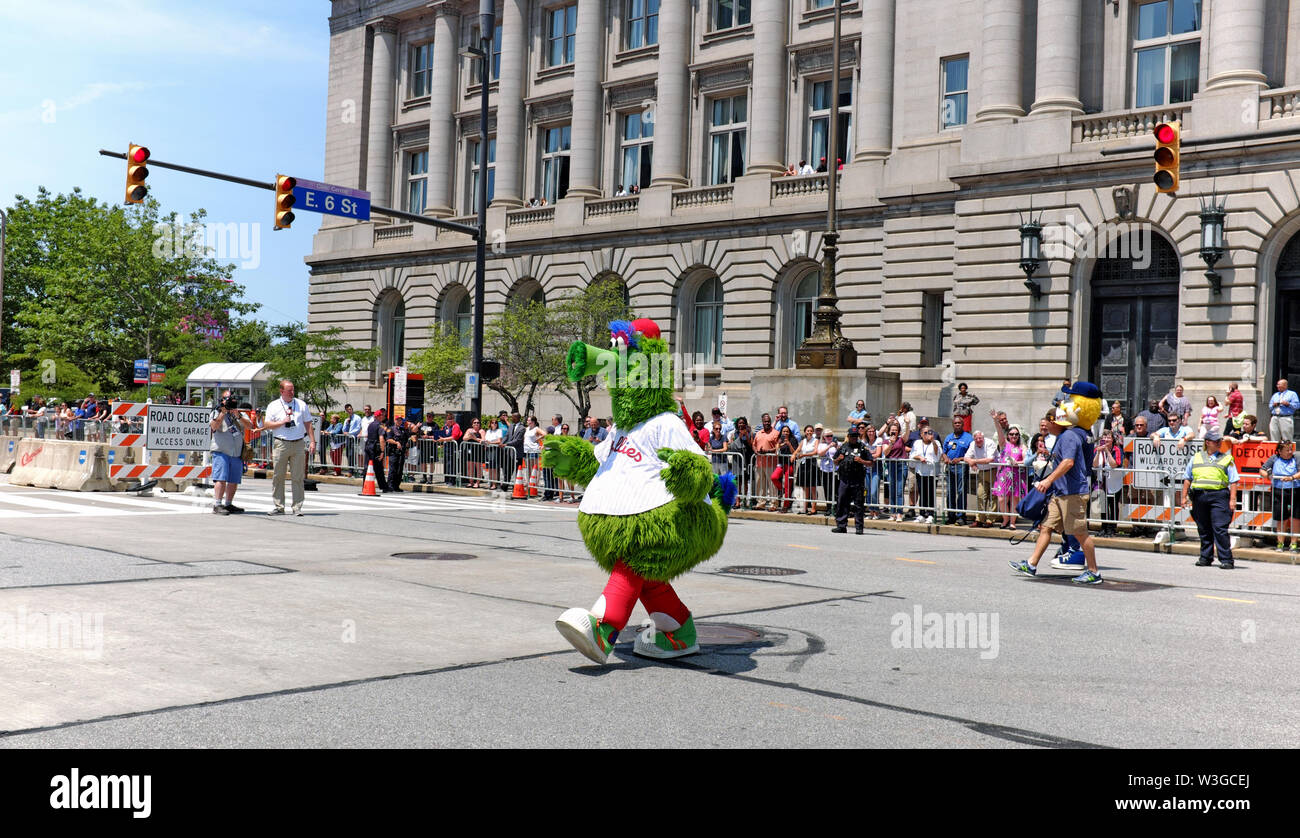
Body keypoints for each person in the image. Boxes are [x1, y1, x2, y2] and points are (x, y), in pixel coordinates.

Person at [1010, 381, 1104, 584]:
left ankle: (1094, 572)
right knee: (1046, 527)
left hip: (1072, 492)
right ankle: (1032, 564)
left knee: (1080, 533)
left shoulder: (1070, 435)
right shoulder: (1077, 433)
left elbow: (1068, 462)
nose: (1064, 405)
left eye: (1069, 401)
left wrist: (1047, 480)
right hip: (1061, 492)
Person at [1180, 427, 1240, 570]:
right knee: (1204, 528)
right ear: (1207, 442)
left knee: (1219, 528)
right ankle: (1205, 557)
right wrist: (1183, 497)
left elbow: (1233, 481)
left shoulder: (1227, 458)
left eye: (1219, 441)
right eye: (1216, 441)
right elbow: (1187, 478)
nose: (1219, 443)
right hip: (1200, 496)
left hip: (1219, 496)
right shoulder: (1196, 457)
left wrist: (1232, 500)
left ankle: (1226, 559)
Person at [263, 380, 315, 515]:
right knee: (278, 476)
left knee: (298, 476)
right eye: (289, 390)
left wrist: (313, 441)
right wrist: (282, 422)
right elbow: (267, 424)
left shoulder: (301, 404)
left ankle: (297, 507)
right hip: (281, 443)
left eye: (293, 390)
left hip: (298, 443)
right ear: (281, 391)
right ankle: (279, 506)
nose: (292, 392)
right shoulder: (273, 405)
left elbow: (308, 423)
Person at [208, 389, 252, 515]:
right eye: (227, 399)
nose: (230, 402)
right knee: (220, 478)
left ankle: (228, 503)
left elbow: (249, 426)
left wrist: (237, 415)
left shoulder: (239, 413)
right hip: (221, 450)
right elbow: (214, 427)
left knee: (234, 479)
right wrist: (223, 412)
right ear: (221, 400)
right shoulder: (216, 412)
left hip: (236, 452)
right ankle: (217, 504)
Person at [1260, 440, 1300, 554]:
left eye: (1290, 449)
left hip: (1295, 490)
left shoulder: (1296, 458)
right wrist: (1268, 476)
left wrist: (1292, 477)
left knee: (1295, 517)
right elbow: (1262, 470)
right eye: (1287, 450)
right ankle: (1280, 543)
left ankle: (1294, 544)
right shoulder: (1274, 458)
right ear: (1279, 451)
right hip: (1278, 490)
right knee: (1281, 518)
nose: (1290, 452)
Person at [831, 427, 870, 534]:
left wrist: (861, 460)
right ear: (848, 436)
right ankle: (841, 525)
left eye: (855, 436)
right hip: (844, 479)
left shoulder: (863, 448)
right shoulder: (843, 447)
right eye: (852, 436)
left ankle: (859, 527)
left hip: (857, 480)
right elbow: (835, 461)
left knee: (858, 504)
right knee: (842, 502)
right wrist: (839, 459)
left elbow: (871, 462)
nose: (854, 438)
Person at [991, 423, 1027, 529]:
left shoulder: (1022, 447)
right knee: (1002, 499)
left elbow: (1026, 461)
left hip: (1017, 476)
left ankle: (1012, 522)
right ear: (1008, 435)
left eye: (1016, 434)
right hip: (1003, 475)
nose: (1014, 436)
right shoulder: (1004, 445)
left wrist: (1017, 463)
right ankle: (1005, 519)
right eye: (1011, 434)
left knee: (1014, 500)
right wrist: (996, 420)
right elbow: (999, 433)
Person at [941, 416, 973, 524]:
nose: (957, 425)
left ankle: (961, 516)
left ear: (963, 425)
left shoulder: (968, 437)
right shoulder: (949, 437)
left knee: (961, 492)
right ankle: (951, 515)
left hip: (961, 467)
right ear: (953, 425)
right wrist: (945, 458)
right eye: (955, 423)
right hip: (950, 467)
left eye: (959, 423)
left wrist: (960, 459)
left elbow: (972, 454)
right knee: (950, 492)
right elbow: (944, 452)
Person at [1093, 428, 1124, 537]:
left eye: (1108, 437)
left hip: (1114, 482)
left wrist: (1107, 452)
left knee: (1113, 505)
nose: (1106, 439)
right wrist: (1099, 452)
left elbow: (1115, 464)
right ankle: (1104, 527)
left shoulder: (1117, 450)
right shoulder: (1097, 449)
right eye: (1104, 437)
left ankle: (1112, 528)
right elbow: (1095, 464)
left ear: (1112, 440)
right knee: (1103, 505)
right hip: (1102, 481)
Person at [964, 429, 998, 527]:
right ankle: (980, 519)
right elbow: (966, 457)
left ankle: (990, 520)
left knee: (993, 496)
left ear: (983, 438)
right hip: (982, 471)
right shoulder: (972, 444)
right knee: (980, 495)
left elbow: (990, 459)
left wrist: (974, 461)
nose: (978, 440)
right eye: (976, 438)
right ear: (974, 439)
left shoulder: (990, 443)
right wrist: (971, 462)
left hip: (993, 471)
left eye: (980, 438)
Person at [909, 425, 941, 523]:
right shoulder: (917, 443)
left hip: (931, 472)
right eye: (925, 433)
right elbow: (913, 455)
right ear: (921, 434)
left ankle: (930, 514)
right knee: (922, 493)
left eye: (930, 432)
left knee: (931, 493)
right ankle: (922, 513)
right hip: (921, 471)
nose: (928, 434)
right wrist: (919, 458)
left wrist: (933, 442)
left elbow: (938, 454)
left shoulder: (936, 442)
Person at [753, 413, 780, 509]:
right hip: (759, 463)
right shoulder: (759, 433)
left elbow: (778, 448)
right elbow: (754, 444)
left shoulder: (776, 433)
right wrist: (756, 451)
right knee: (760, 484)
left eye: (768, 421)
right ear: (762, 422)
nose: (767, 423)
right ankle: (761, 503)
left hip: (771, 463)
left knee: (772, 485)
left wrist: (767, 451)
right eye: (765, 421)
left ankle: (774, 504)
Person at [727, 417, 755, 506]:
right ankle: (737, 500)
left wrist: (746, 435)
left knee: (745, 481)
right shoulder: (733, 434)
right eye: (739, 423)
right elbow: (731, 446)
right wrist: (739, 436)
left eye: (743, 423)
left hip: (746, 460)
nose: (741, 424)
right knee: (738, 482)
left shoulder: (750, 433)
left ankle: (745, 499)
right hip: (737, 461)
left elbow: (751, 445)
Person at [385, 414, 417, 492]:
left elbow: (410, 435)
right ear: (395, 421)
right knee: (393, 469)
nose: (399, 421)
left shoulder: (403, 430)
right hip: (393, 452)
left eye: (400, 420)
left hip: (401, 453)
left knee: (399, 470)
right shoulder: (391, 429)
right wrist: (396, 443)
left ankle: (396, 486)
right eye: (397, 420)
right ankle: (390, 486)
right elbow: (388, 439)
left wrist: (416, 427)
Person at [794, 424, 821, 513]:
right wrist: (794, 454)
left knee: (813, 488)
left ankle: (814, 508)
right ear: (805, 432)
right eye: (807, 431)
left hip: (811, 463)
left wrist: (804, 455)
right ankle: (805, 508)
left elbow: (815, 451)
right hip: (803, 464)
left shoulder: (816, 440)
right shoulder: (803, 441)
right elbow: (798, 449)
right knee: (805, 488)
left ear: (812, 432)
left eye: (810, 431)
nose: (809, 432)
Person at [342, 404, 362, 473]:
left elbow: (358, 428)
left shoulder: (357, 418)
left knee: (352, 454)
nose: (349, 411)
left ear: (352, 409)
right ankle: (350, 467)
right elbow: (344, 429)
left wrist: (350, 433)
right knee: (347, 453)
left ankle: (351, 470)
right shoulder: (346, 419)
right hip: (348, 438)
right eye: (347, 410)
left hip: (354, 438)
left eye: (350, 409)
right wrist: (347, 424)